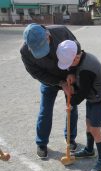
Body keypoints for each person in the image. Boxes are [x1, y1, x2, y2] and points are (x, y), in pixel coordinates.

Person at [20, 23, 79, 159]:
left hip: (68, 75)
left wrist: (72, 73)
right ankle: (41, 143)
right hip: (49, 81)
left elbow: (77, 50)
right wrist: (60, 83)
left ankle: (70, 139)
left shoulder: (62, 32)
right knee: (45, 110)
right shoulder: (25, 51)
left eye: (42, 46)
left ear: (48, 36)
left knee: (72, 107)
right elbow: (36, 73)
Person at [56, 40, 101, 171]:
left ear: (75, 57)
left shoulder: (87, 69)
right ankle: (89, 150)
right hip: (93, 98)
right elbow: (75, 68)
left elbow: (82, 94)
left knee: (94, 129)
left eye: (69, 64)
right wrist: (71, 73)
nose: (68, 67)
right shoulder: (81, 57)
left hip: (100, 100)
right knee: (88, 124)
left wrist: (70, 102)